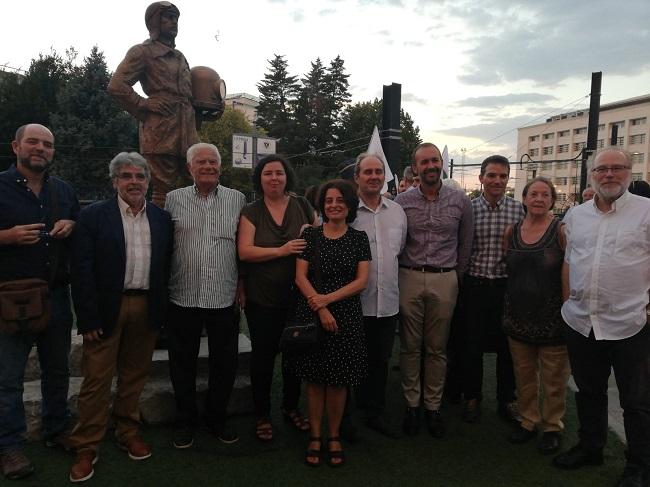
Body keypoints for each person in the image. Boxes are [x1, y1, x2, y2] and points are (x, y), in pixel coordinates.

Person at [67, 153, 173, 482]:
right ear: (114, 182)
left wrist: (161, 312)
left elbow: (166, 268)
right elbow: (81, 271)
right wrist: (88, 319)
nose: (134, 182)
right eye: (126, 176)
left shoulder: (161, 218)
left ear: (148, 181)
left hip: (146, 308)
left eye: (140, 176)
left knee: (134, 377)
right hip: (105, 311)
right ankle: (86, 445)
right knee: (96, 381)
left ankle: (127, 432)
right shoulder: (94, 216)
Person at [553, 149, 650, 487]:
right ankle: (590, 446)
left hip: (630, 324)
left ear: (629, 172)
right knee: (588, 391)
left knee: (636, 402)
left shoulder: (646, 212)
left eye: (617, 168)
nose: (609, 174)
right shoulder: (576, 216)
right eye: (602, 169)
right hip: (582, 322)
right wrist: (568, 303)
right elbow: (569, 261)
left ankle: (638, 466)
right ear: (592, 173)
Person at [0, 124, 79, 480]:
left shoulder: (62, 191)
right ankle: (9, 446)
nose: (40, 149)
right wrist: (7, 236)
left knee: (57, 370)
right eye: (33, 142)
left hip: (56, 295)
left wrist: (71, 225)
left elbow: (78, 232)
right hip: (11, 297)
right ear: (16, 145)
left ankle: (56, 429)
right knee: (8, 377)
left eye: (47, 144)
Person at [165, 143, 246, 449]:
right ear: (190, 168)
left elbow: (242, 246)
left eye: (213, 161)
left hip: (222, 295)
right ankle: (185, 419)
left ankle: (217, 417)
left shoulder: (237, 199)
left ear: (220, 167)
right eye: (201, 162)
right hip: (181, 294)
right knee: (181, 362)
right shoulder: (173, 200)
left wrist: (242, 283)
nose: (209, 166)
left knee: (224, 363)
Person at [394, 142, 473, 438]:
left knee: (438, 348)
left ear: (441, 163)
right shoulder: (402, 202)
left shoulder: (459, 200)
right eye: (424, 162)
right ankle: (412, 405)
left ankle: (433, 406)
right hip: (410, 276)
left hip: (445, 277)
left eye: (435, 160)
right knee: (410, 347)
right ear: (415, 168)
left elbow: (466, 244)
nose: (431, 166)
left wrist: (456, 276)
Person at [108, 2, 222, 207]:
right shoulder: (142, 52)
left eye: (175, 18)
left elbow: (190, 98)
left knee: (198, 184)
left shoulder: (181, 58)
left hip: (187, 131)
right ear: (154, 22)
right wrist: (143, 104)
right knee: (162, 190)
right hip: (160, 131)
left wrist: (207, 110)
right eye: (167, 17)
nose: (173, 22)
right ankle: (159, 234)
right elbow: (116, 85)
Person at [290, 179, 371, 467]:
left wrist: (327, 300)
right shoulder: (310, 236)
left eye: (339, 200)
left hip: (346, 316)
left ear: (349, 204)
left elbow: (362, 281)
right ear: (322, 205)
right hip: (312, 314)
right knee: (314, 381)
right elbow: (300, 276)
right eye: (328, 200)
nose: (333, 205)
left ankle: (333, 435)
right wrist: (320, 306)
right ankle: (314, 435)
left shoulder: (359, 238)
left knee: (338, 382)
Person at [237, 155, 315, 441]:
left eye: (279, 173)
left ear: (287, 177)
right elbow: (245, 251)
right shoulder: (252, 211)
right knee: (263, 359)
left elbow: (319, 238)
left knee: (294, 357)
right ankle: (262, 414)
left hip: (298, 297)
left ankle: (291, 407)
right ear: (259, 178)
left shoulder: (303, 205)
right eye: (268, 173)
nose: (274, 178)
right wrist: (282, 251)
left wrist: (313, 233)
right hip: (263, 299)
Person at [502, 177, 570, 454]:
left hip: (552, 318)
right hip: (518, 316)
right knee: (524, 375)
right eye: (534, 194)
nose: (539, 199)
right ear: (525, 198)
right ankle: (528, 421)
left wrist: (568, 309)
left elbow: (569, 271)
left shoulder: (561, 231)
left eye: (545, 194)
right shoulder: (512, 231)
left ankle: (552, 426)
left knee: (554, 379)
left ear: (552, 200)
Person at [460, 155, 524, 424]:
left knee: (506, 347)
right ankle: (472, 397)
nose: (497, 180)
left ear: (508, 179)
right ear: (481, 178)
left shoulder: (519, 210)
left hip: (504, 287)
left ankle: (506, 399)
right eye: (492, 175)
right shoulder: (469, 209)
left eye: (502, 176)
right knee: (471, 345)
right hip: (474, 285)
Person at [351, 153, 407, 435]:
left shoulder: (397, 212)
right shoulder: (348, 213)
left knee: (381, 360)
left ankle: (376, 412)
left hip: (387, 303)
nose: (373, 176)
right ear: (357, 177)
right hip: (354, 302)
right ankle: (351, 412)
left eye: (378, 171)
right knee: (353, 358)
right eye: (367, 171)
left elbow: (400, 251)